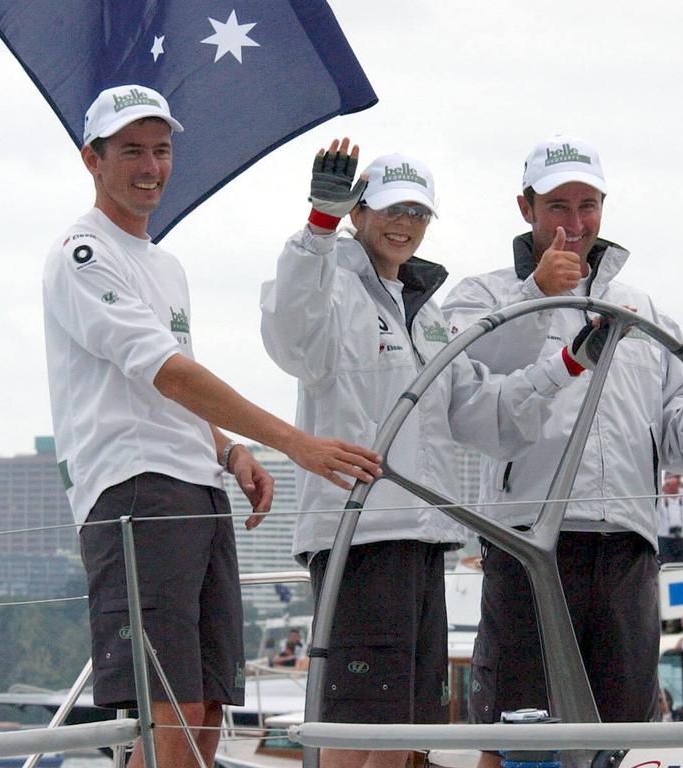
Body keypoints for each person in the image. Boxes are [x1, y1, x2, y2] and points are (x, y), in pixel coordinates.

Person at [42, 85, 381, 768]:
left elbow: (175, 382)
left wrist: (229, 452)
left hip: (196, 488)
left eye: (161, 151)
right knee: (169, 710)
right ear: (92, 160)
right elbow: (165, 371)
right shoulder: (81, 254)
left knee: (205, 717)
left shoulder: (164, 264)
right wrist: (293, 444)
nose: (150, 166)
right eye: (131, 150)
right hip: (135, 491)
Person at [260, 139, 571, 768]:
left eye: (418, 213)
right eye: (389, 209)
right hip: (360, 538)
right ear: (358, 214)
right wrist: (316, 225)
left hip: (424, 539)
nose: (404, 224)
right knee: (355, 725)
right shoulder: (332, 291)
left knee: (409, 728)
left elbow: (481, 414)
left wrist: (567, 365)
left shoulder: (427, 317)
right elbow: (289, 332)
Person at [441, 134, 683, 745]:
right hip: (527, 540)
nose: (575, 221)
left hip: (627, 545)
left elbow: (677, 437)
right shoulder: (481, 296)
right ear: (525, 207)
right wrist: (537, 293)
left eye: (588, 204)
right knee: (518, 724)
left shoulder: (642, 310)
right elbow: (471, 379)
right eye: (558, 205)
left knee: (624, 724)